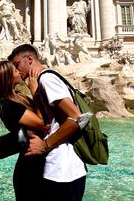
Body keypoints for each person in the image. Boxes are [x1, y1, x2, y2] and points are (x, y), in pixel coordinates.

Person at [8, 44, 87, 201]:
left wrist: (45, 145)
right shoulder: (45, 79)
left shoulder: (47, 79)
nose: (17, 71)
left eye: (17, 65)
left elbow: (77, 118)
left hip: (64, 170)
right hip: (64, 168)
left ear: (29, 59)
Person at [0, 60, 49, 201]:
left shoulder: (17, 98)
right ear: (8, 78)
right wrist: (35, 90)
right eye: (15, 70)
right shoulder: (7, 105)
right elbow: (43, 124)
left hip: (35, 161)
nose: (19, 71)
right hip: (29, 170)